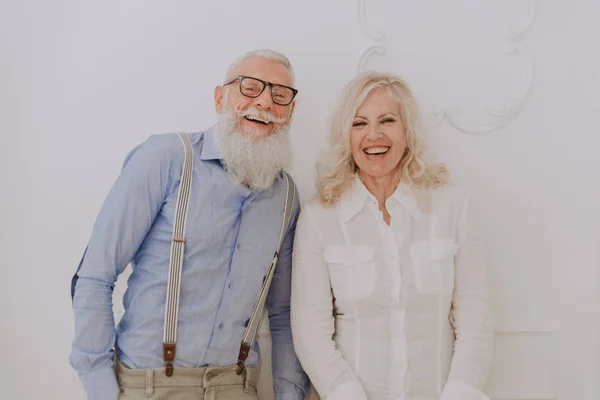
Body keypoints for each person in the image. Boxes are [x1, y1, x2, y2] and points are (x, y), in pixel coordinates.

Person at [70, 49, 310, 400]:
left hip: (236, 386)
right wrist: (102, 389)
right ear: (220, 97)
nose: (264, 103)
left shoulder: (286, 195)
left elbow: (283, 313)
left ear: (289, 113)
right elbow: (95, 275)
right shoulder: (167, 159)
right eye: (250, 87)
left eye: (280, 95)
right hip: (147, 385)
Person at [290, 71, 493, 400]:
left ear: (407, 132)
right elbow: (311, 336)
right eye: (359, 124)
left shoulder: (453, 207)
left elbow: (475, 322)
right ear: (346, 136)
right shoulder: (319, 219)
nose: (373, 135)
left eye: (387, 120)